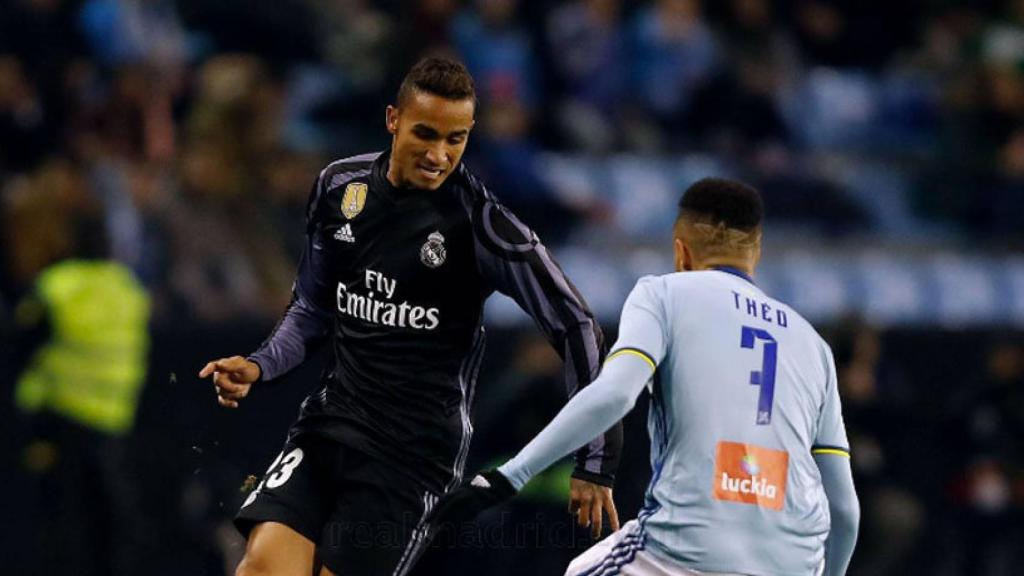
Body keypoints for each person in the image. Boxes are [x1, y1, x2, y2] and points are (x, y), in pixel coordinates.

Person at [197, 56, 622, 576]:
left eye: (456, 139)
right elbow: (311, 307)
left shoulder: (483, 225)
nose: (439, 155)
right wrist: (261, 365)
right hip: (330, 427)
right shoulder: (339, 187)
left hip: (411, 457)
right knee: (261, 567)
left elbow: (577, 323)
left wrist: (596, 461)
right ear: (393, 119)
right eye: (426, 133)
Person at [431, 178, 860, 576]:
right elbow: (844, 510)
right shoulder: (813, 344)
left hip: (686, 549)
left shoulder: (665, 294)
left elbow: (615, 395)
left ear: (681, 252)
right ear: (757, 250)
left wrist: (511, 476)